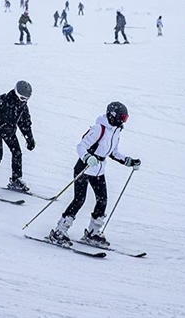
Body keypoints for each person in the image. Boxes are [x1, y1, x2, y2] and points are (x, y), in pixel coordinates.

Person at [48, 102, 140, 247]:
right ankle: (60, 230)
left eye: (125, 118)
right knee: (79, 199)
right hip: (84, 168)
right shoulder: (99, 129)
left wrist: (128, 161)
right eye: (121, 117)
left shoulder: (116, 132)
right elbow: (81, 146)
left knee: (102, 200)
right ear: (112, 115)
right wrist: (87, 157)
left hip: (99, 171)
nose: (122, 121)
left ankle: (93, 233)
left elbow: (113, 153)